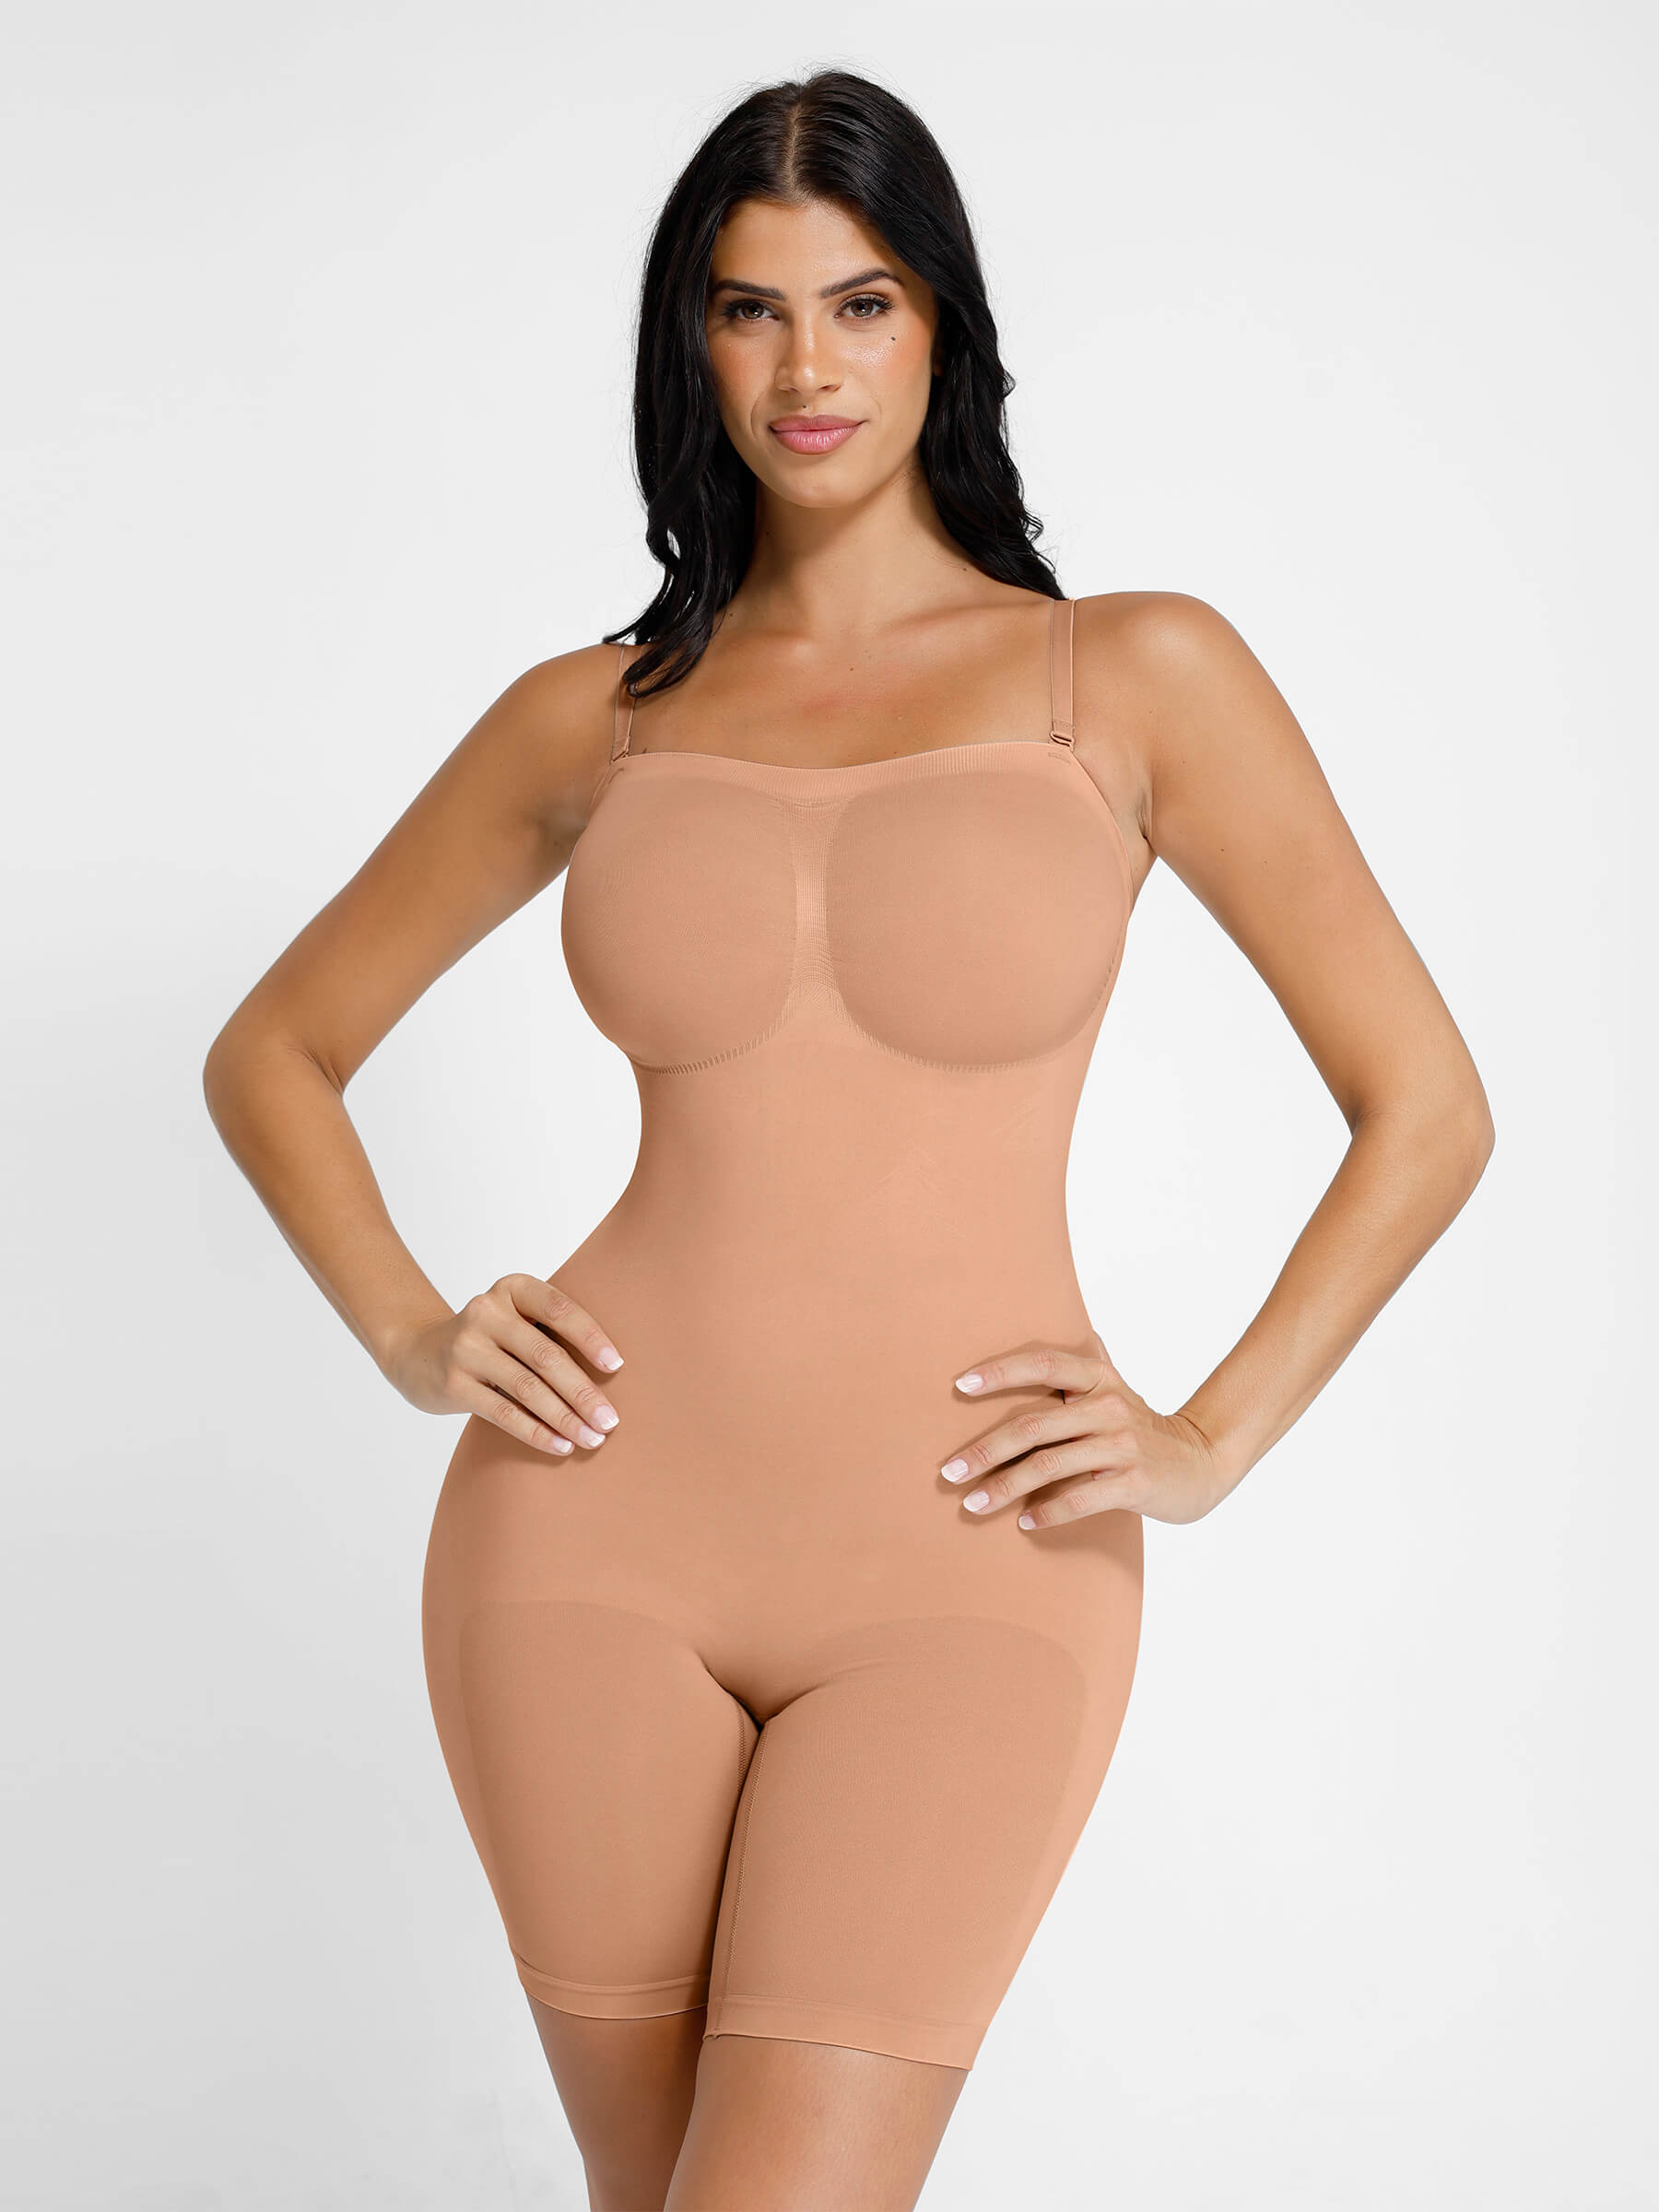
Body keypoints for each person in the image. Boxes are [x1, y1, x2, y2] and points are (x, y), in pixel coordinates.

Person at [203, 66, 1494, 2212]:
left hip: (972, 1558)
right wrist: (421, 1336)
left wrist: (1209, 1435)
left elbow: (1425, 1107)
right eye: (751, 309)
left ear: (942, 324)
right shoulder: (597, 714)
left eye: (862, 302)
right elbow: (277, 1050)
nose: (807, 368)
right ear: (690, 344)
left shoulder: (1131, 678)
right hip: (582, 1542)